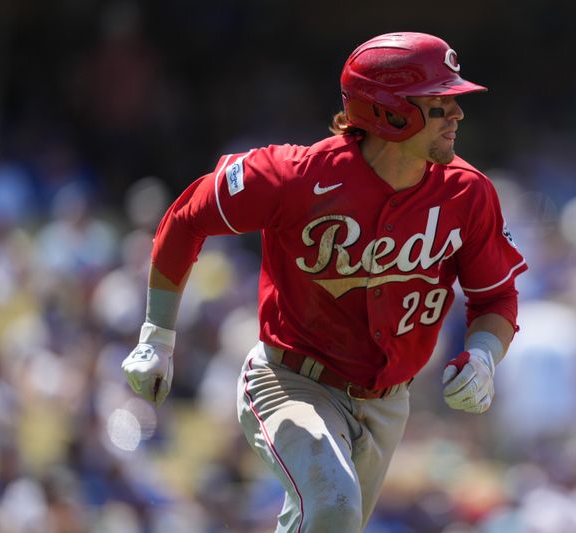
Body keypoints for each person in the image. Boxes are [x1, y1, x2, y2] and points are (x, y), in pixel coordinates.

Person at [121, 31, 527, 532]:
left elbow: (496, 297)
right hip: (291, 379)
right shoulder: (294, 176)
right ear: (389, 111)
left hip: (388, 402)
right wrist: (157, 335)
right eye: (440, 103)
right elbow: (186, 217)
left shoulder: (468, 193)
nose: (457, 114)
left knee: (326, 522)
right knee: (333, 505)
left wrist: (485, 354)